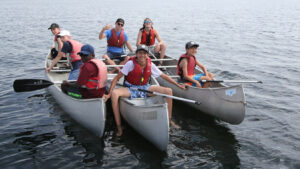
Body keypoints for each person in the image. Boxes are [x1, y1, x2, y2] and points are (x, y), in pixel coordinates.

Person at [104, 45, 186, 136]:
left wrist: (178, 85)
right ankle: (119, 127)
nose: (142, 55)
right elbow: (116, 78)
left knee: (169, 91)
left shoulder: (150, 64)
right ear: (136, 54)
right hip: (131, 88)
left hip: (145, 88)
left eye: (144, 53)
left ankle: (169, 120)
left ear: (147, 55)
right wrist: (109, 94)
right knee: (115, 94)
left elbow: (164, 76)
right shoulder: (130, 64)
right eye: (140, 53)